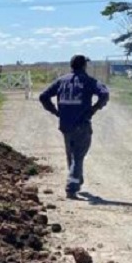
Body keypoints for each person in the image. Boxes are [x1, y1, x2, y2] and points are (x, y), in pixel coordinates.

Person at [39, 54, 110, 199]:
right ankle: (71, 187)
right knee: (78, 156)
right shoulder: (88, 81)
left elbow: (43, 96)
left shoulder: (61, 81)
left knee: (72, 155)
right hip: (82, 124)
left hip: (65, 125)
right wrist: (94, 108)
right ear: (84, 66)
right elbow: (104, 93)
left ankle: (77, 178)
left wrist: (56, 112)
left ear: (71, 66)